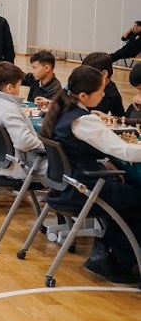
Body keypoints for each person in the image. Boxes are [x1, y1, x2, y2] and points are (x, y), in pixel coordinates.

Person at [41, 65, 141, 283]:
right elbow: (124, 151)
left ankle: (110, 254)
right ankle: (115, 258)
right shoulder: (83, 121)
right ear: (84, 96)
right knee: (136, 198)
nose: (104, 95)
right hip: (83, 190)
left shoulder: (63, 111)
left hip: (66, 186)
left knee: (129, 193)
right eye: (100, 91)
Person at [0, 61, 46, 181]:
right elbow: (24, 142)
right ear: (9, 88)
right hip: (22, 167)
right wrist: (47, 146)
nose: (19, 89)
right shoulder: (9, 110)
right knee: (69, 165)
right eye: (19, 86)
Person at [81, 52, 125, 117]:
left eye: (89, 74)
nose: (85, 78)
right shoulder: (94, 86)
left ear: (104, 74)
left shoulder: (110, 97)